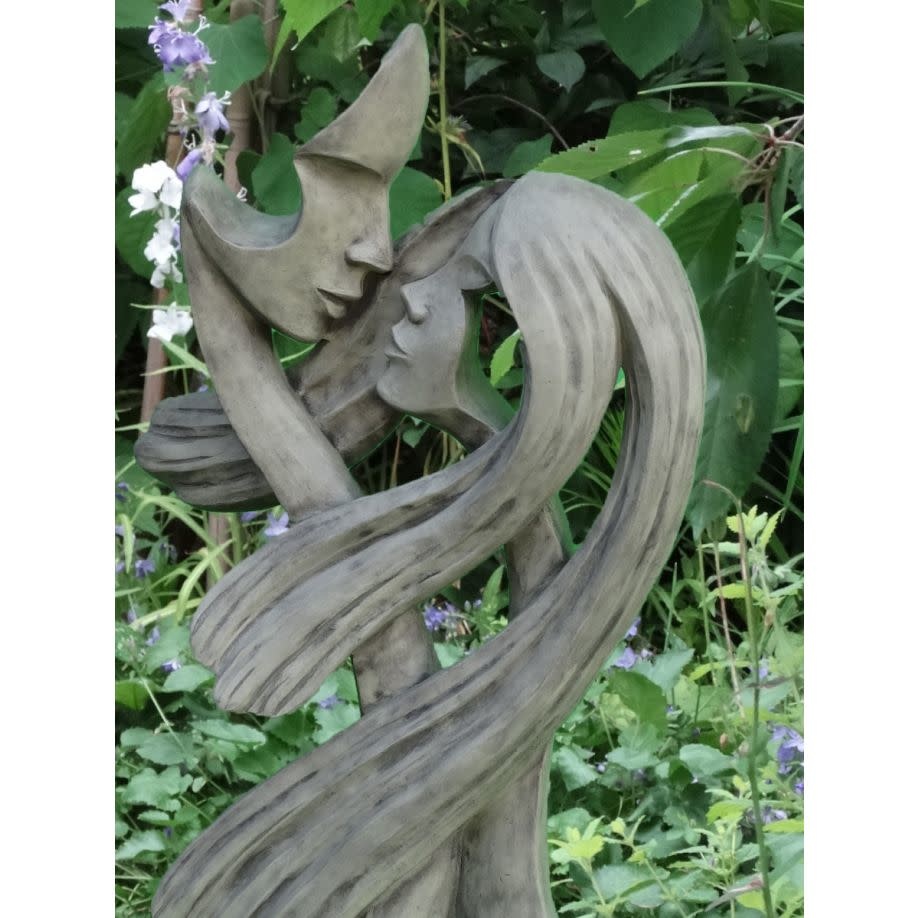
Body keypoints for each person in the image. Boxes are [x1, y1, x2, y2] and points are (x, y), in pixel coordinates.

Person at [153, 169, 706, 917]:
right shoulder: (447, 530)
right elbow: (256, 386)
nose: (412, 297)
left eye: (475, 292)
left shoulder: (542, 599)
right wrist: (206, 217)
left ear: (557, 358)